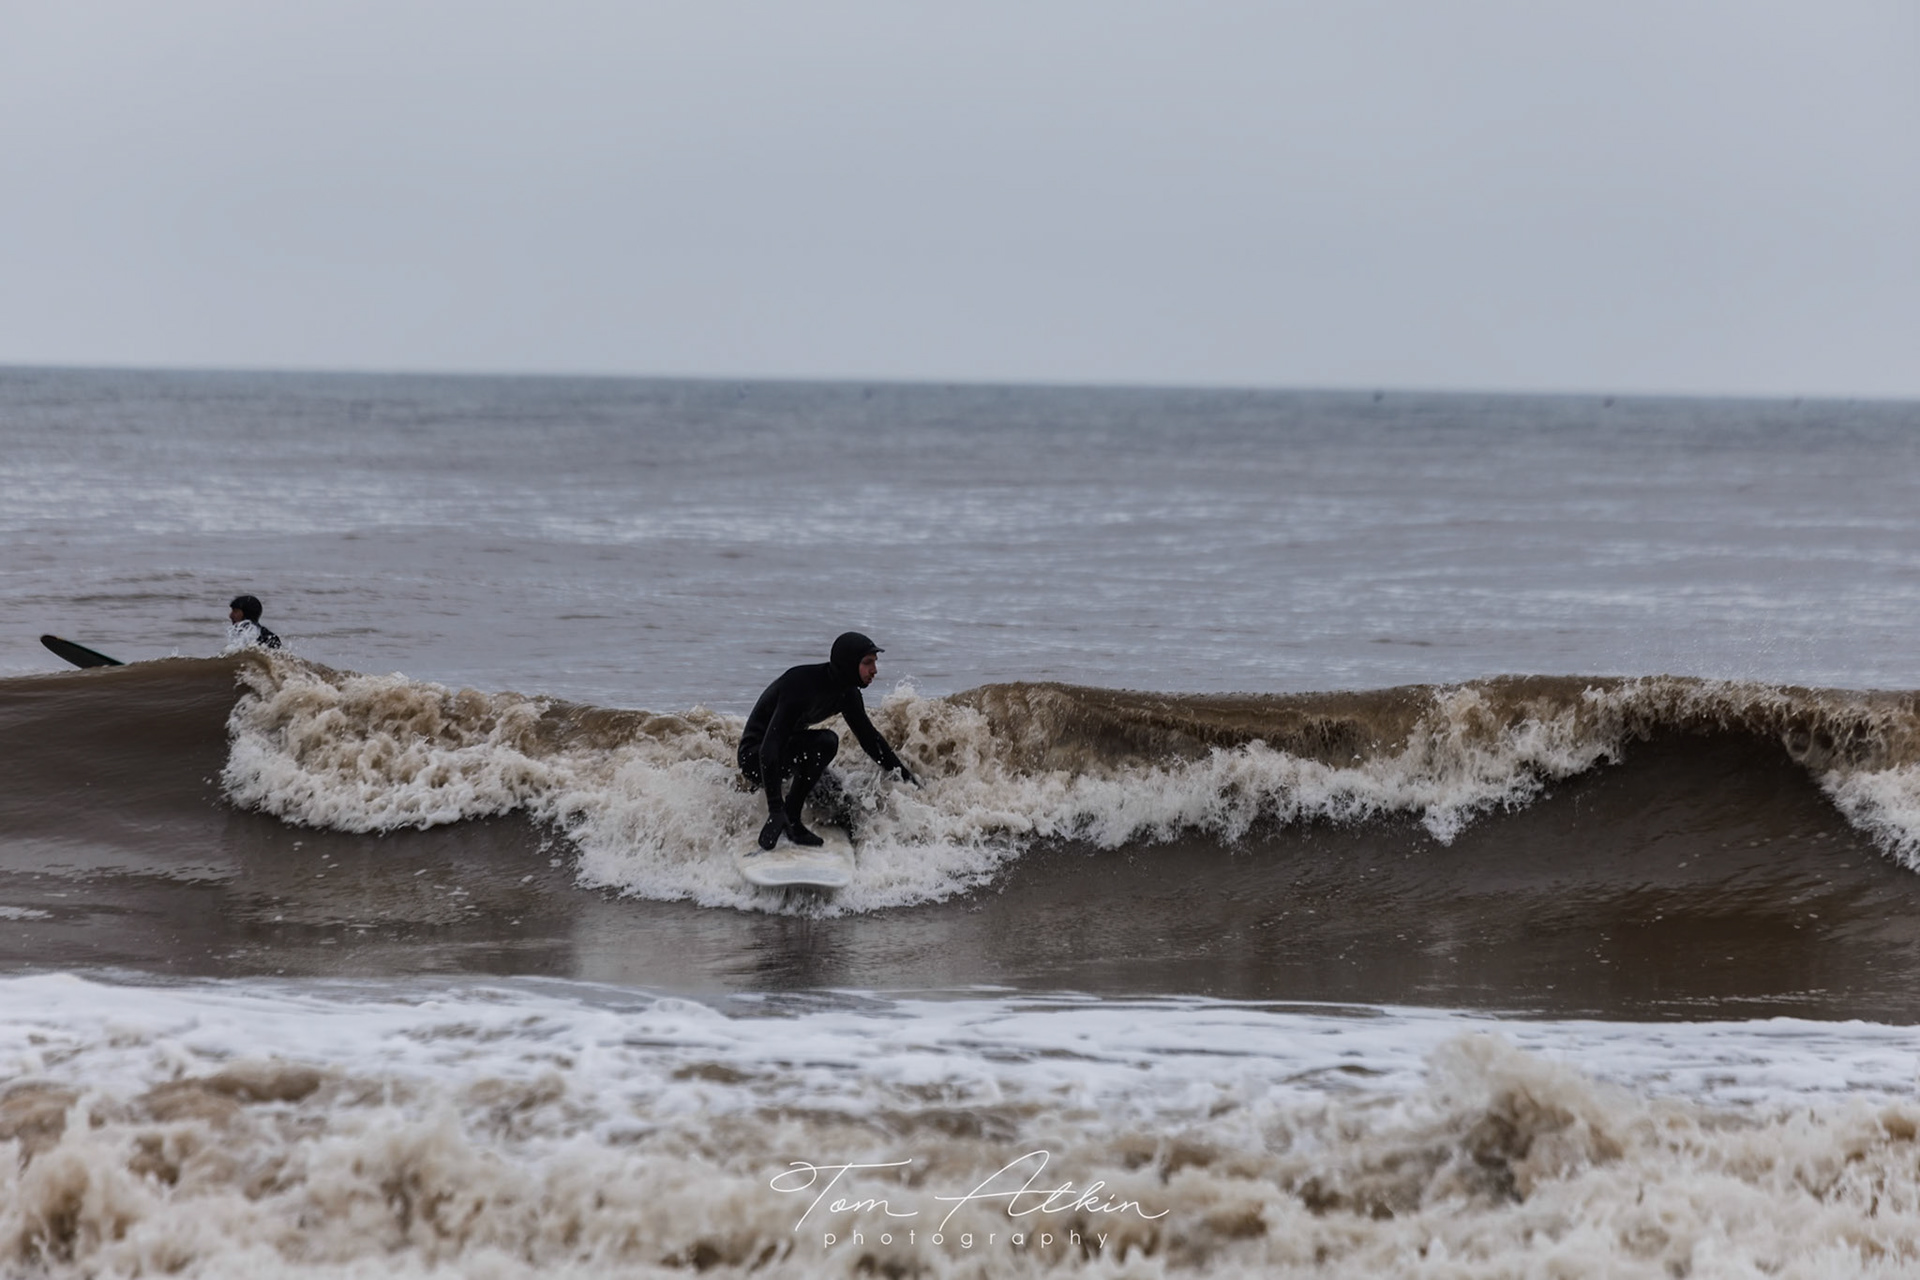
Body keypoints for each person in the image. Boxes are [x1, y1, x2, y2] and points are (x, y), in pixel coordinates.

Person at [739, 631, 919, 851]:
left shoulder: (848, 693)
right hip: (756, 758)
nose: (874, 670)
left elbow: (870, 740)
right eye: (867, 662)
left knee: (842, 802)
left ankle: (851, 842)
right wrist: (775, 808)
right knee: (826, 742)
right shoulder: (800, 684)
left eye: (874, 662)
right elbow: (769, 748)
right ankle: (791, 818)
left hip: (786, 755)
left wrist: (907, 779)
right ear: (849, 663)